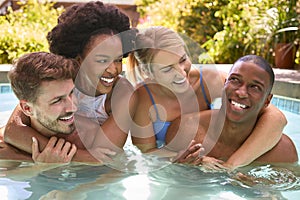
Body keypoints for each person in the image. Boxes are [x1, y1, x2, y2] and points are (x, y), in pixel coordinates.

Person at [128, 26, 287, 169]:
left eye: (183, 60)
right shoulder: (142, 99)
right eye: (168, 69)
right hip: (168, 170)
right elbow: (146, 153)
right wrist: (189, 159)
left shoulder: (207, 81)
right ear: (148, 73)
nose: (182, 73)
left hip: (215, 163)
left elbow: (277, 118)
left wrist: (232, 164)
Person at [3, 1, 137, 161]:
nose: (113, 69)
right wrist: (56, 156)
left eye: (118, 59)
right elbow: (12, 131)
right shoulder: (60, 80)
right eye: (102, 60)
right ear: (78, 59)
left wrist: (49, 157)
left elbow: (102, 158)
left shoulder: (123, 93)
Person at [165, 55, 298, 168]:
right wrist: (182, 165)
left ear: (267, 101)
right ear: (224, 84)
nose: (241, 93)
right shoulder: (186, 129)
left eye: (255, 87)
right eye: (235, 80)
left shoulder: (283, 153)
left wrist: (255, 187)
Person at [0, 52, 114, 164]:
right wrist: (40, 166)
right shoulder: (6, 144)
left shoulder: (89, 138)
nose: (73, 107)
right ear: (27, 109)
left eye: (72, 93)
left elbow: (115, 174)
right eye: (57, 100)